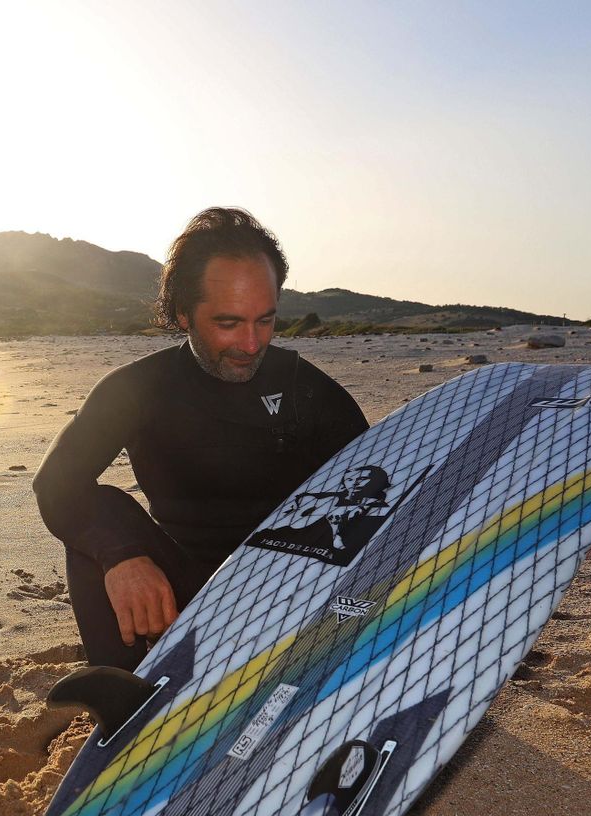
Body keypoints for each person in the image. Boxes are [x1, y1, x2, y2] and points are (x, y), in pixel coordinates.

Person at [33, 207, 370, 670]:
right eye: (228, 323)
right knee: (100, 519)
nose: (251, 344)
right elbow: (55, 483)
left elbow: (382, 483)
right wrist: (123, 557)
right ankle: (121, 692)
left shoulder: (303, 388)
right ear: (183, 313)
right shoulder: (136, 389)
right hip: (188, 595)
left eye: (265, 320)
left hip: (292, 594)